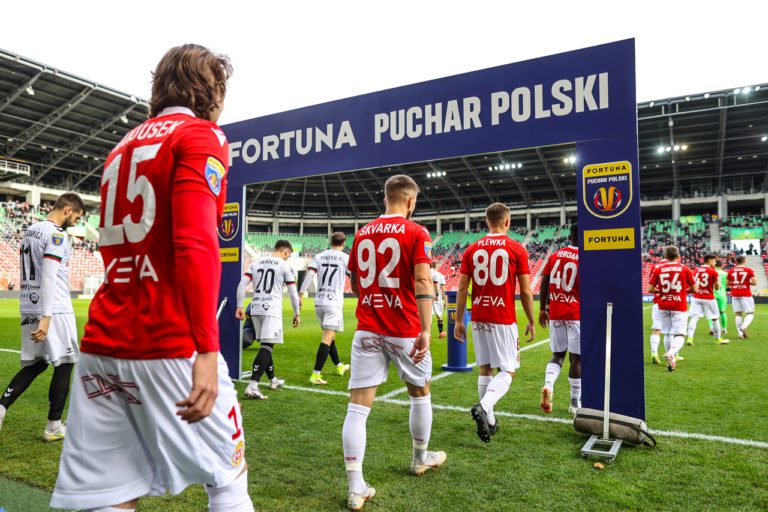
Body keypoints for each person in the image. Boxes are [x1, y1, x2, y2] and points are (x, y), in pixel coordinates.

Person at [50, 44, 254, 512]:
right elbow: (195, 240)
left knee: (109, 493)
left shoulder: (123, 144)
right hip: (169, 341)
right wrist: (206, 347)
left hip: (104, 342)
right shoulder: (202, 135)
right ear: (212, 91)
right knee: (227, 476)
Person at [343, 175, 445, 511]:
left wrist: (374, 300)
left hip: (368, 327)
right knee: (420, 391)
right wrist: (427, 328)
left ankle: (356, 488)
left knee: (358, 407)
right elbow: (421, 278)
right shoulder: (417, 232)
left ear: (385, 197)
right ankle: (419, 459)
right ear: (411, 201)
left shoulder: (362, 233)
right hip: (404, 328)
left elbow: (357, 282)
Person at [0, 193, 84, 440]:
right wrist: (47, 316)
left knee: (37, 363)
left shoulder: (30, 230)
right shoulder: (57, 234)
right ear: (67, 210)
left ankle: (1, 407)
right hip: (54, 308)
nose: (76, 223)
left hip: (28, 305)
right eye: (76, 217)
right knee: (67, 362)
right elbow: (48, 275)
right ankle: (54, 426)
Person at [455, 202, 534, 443]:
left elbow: (461, 288)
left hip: (479, 315)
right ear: (508, 221)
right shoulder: (516, 248)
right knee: (508, 370)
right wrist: (531, 320)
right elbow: (527, 291)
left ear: (486, 221)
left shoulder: (471, 249)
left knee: (485, 368)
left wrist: (459, 319)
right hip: (503, 317)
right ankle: (484, 406)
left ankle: (489, 421)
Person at [236, 240, 300, 399]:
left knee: (266, 344)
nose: (288, 258)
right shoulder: (284, 266)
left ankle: (273, 380)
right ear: (285, 252)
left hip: (255, 308)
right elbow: (293, 293)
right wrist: (296, 313)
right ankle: (252, 386)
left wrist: (239, 306)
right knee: (267, 347)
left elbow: (241, 285)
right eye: (289, 255)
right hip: (271, 310)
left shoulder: (256, 262)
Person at [538, 224, 581, 415]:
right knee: (577, 360)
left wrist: (542, 308)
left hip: (555, 311)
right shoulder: (587, 258)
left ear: (570, 235)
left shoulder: (556, 255)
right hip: (576, 313)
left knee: (558, 355)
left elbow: (545, 281)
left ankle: (548, 385)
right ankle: (575, 403)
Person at [299, 231, 351, 385]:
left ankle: (339, 366)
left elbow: (309, 276)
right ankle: (315, 375)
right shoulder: (346, 258)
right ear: (343, 243)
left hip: (319, 303)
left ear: (331, 241)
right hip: (333, 303)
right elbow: (353, 277)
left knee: (331, 337)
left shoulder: (319, 256)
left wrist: (301, 295)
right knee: (327, 337)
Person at [648, 246, 698, 372]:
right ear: (678, 256)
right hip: (678, 305)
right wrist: (684, 291)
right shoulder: (684, 269)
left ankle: (671, 360)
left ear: (665, 256)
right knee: (679, 334)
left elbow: (650, 289)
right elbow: (695, 289)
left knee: (667, 332)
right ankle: (671, 353)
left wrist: (663, 291)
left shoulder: (659, 269)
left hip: (663, 305)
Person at [687, 254, 728, 345]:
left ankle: (690, 338)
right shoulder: (713, 272)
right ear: (709, 260)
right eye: (714, 261)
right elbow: (717, 287)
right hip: (709, 298)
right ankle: (718, 339)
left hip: (697, 297)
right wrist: (719, 283)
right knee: (715, 318)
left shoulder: (696, 271)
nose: (715, 263)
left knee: (694, 318)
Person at [727, 255, 757, 338]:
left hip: (735, 293)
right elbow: (755, 283)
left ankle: (740, 335)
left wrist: (735, 284)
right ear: (744, 261)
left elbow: (727, 284)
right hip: (745, 293)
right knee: (750, 313)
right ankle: (744, 327)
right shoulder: (749, 270)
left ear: (736, 262)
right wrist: (747, 283)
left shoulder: (731, 271)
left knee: (738, 314)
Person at [707, 259, 729, 336]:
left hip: (712, 294)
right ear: (722, 265)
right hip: (722, 295)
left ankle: (711, 328)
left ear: (715, 265)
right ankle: (724, 329)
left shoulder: (710, 272)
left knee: (711, 312)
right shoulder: (725, 273)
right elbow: (727, 283)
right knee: (722, 312)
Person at [431, 261, 447, 337]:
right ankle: (441, 333)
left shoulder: (427, 272)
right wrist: (446, 301)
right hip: (437, 297)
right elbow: (443, 289)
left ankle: (427, 334)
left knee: (427, 316)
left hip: (427, 296)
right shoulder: (440, 275)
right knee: (439, 315)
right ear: (438, 266)